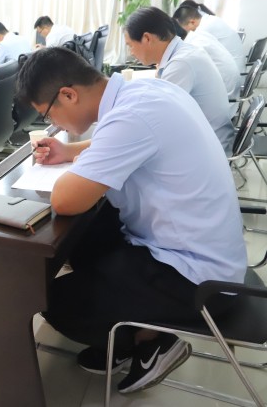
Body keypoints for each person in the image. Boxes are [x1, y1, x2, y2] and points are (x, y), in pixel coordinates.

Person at [16, 46, 245, 395]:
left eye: (48, 113)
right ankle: (124, 336)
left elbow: (64, 200)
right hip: (202, 249)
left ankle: (150, 342)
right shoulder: (147, 90)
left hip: (198, 279)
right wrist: (70, 151)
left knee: (52, 300)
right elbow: (115, 140)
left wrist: (74, 167)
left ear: (68, 95)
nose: (54, 124)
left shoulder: (132, 117)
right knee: (88, 239)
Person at [124, 6, 235, 154]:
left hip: (209, 149)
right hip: (211, 137)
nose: (131, 52)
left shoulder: (181, 64)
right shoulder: (183, 52)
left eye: (130, 45)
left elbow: (158, 119)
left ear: (147, 38)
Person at [173, 20, 241, 103]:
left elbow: (174, 94)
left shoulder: (190, 49)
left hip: (227, 97)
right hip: (231, 90)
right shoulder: (198, 35)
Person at [173, 0, 244, 71]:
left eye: (182, 27)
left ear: (192, 22)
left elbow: (189, 54)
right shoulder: (210, 19)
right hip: (236, 66)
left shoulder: (203, 30)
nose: (184, 31)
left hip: (235, 69)